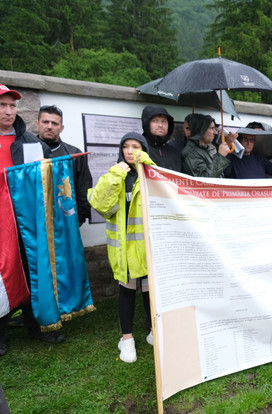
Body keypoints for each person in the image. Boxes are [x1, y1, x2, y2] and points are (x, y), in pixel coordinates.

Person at [0, 84, 62, 357]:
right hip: (1, 221)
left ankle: (34, 324)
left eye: (12, 106)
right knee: (3, 271)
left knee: (31, 268)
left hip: (26, 217)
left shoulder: (30, 142)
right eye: (2, 105)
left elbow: (41, 181)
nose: (8, 111)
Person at [88, 132, 155, 363]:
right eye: (125, 146)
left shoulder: (151, 174)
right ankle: (127, 339)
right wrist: (115, 175)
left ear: (144, 149)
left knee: (149, 292)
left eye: (136, 146)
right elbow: (100, 205)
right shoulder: (115, 174)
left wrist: (150, 166)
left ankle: (152, 330)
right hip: (125, 250)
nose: (130, 151)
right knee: (127, 292)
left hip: (148, 248)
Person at [35, 104, 92, 225]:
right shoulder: (25, 150)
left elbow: (84, 187)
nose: (49, 127)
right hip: (34, 221)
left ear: (62, 127)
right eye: (45, 122)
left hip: (66, 220)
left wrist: (80, 218)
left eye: (55, 123)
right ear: (37, 124)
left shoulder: (74, 154)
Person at [140, 105, 181, 172]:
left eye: (164, 121)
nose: (160, 125)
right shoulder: (139, 148)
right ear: (147, 124)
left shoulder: (174, 152)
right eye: (155, 121)